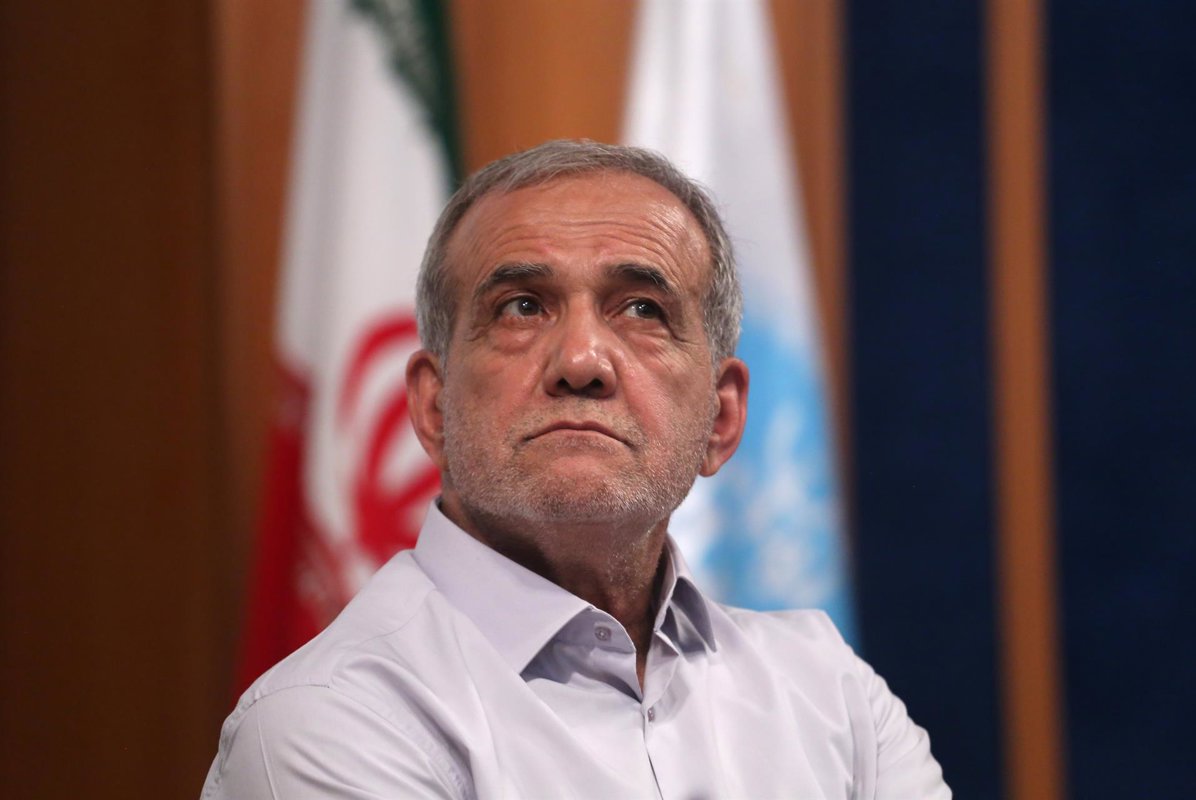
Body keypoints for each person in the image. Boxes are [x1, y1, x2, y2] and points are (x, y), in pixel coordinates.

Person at [202, 140, 950, 799]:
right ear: (433, 408)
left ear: (721, 419)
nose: (582, 361)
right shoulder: (330, 720)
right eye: (522, 307)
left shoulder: (831, 694)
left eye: (643, 309)